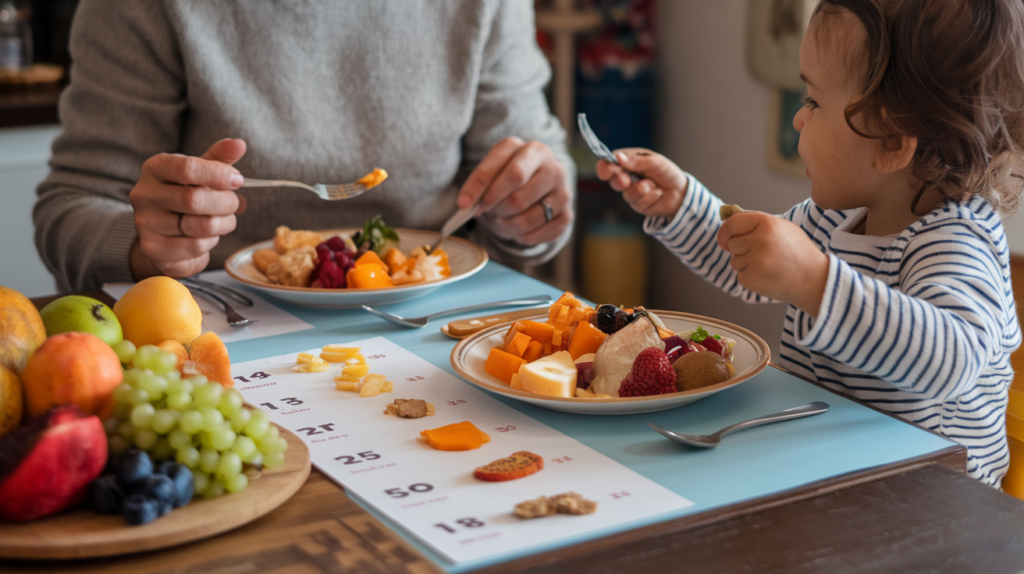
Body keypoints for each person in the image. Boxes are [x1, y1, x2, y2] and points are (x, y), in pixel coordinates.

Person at [597, 0, 1024, 487]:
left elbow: (952, 360)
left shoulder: (956, 239)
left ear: (890, 141)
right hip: (835, 473)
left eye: (814, 102)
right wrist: (680, 205)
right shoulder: (833, 217)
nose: (799, 120)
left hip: (934, 508)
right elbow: (755, 262)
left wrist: (815, 281)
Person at [34, 1, 575, 292]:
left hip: (435, 326)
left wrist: (534, 211)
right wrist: (142, 244)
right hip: (224, 332)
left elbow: (539, 183)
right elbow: (69, 209)